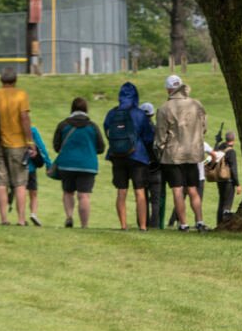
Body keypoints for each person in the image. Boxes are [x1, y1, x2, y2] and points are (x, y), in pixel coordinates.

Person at [154, 74, 209, 231]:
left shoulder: (165, 108)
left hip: (173, 155)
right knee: (193, 188)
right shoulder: (197, 105)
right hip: (193, 153)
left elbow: (160, 135)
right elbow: (204, 128)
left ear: (168, 89)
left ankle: (183, 224)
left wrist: (159, 149)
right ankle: (199, 221)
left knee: (177, 190)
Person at [52, 97, 107, 228]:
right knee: (84, 196)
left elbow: (56, 146)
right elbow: (101, 147)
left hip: (67, 164)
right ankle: (84, 225)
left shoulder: (63, 125)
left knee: (68, 192)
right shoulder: (92, 126)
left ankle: (69, 216)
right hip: (87, 165)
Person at [0, 68, 33, 226]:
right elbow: (24, 118)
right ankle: (21, 219)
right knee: (20, 183)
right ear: (15, 80)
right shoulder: (21, 95)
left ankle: (4, 219)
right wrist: (30, 141)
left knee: (1, 182)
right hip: (17, 143)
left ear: (1, 80)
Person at [102, 82, 149, 231]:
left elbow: (107, 131)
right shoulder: (139, 114)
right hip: (137, 156)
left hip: (117, 156)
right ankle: (142, 226)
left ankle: (123, 225)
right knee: (139, 191)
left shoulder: (112, 113)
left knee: (121, 191)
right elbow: (148, 136)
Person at [139, 101, 165, 229]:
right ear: (152, 114)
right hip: (156, 168)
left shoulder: (137, 132)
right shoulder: (156, 130)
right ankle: (154, 225)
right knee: (155, 200)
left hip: (141, 168)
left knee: (141, 197)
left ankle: (142, 224)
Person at [23, 123, 52, 226]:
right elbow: (41, 147)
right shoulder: (32, 130)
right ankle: (33, 213)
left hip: (17, 167)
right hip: (30, 168)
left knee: (20, 191)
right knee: (33, 193)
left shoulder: (13, 130)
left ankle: (21, 217)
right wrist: (49, 164)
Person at [210, 130, 241, 224]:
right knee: (227, 204)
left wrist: (217, 142)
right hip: (228, 181)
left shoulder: (220, 148)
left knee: (221, 202)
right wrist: (238, 184)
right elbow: (233, 169)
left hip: (220, 180)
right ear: (233, 140)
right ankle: (223, 223)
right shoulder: (231, 152)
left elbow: (214, 154)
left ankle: (218, 223)